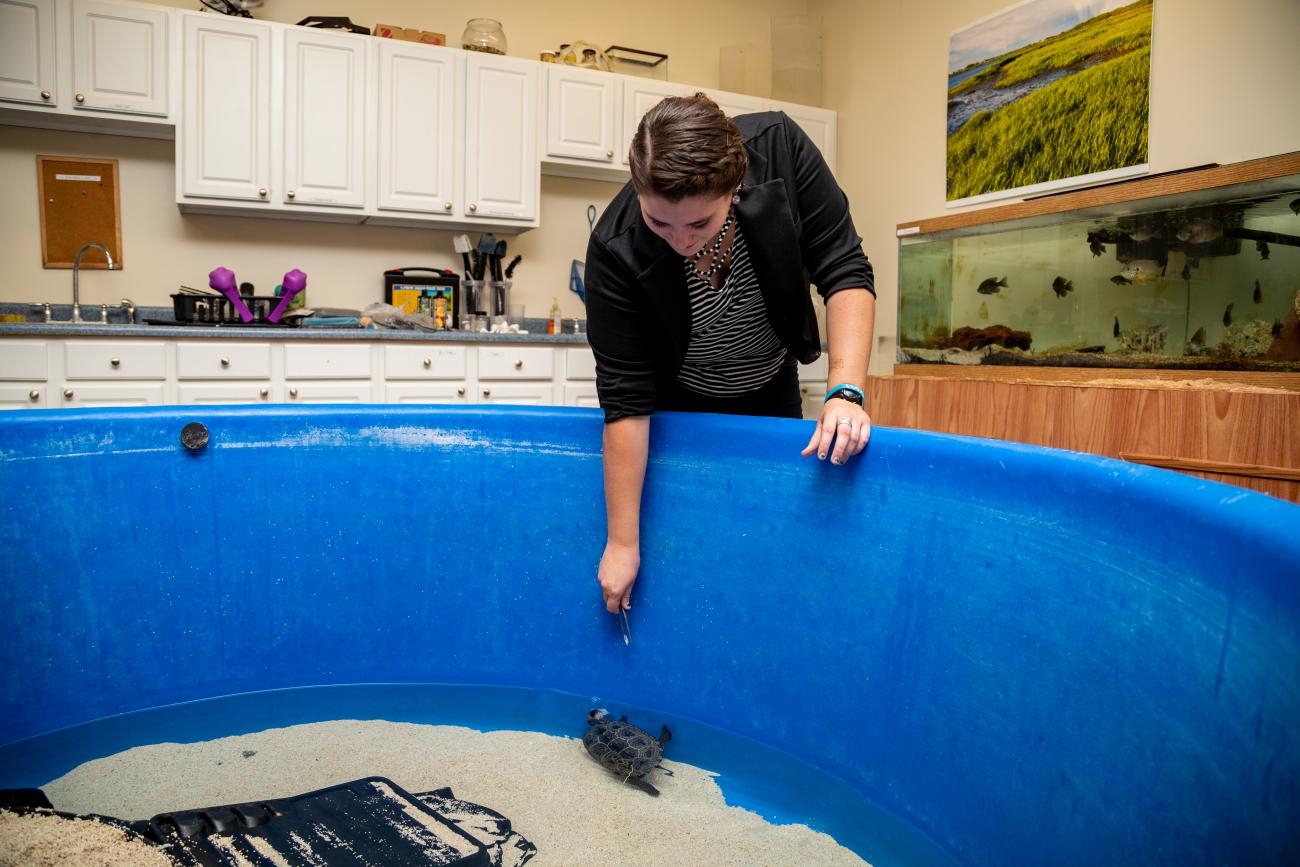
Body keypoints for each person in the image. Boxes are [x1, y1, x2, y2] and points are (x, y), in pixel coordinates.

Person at [585, 93, 876, 615]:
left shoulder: (780, 148)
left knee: (771, 533)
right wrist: (622, 544)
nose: (681, 242)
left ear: (734, 185)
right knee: (692, 533)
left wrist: (845, 391)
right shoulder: (615, 246)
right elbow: (626, 401)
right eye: (660, 224)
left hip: (771, 383)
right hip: (678, 398)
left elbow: (844, 267)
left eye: (700, 224)